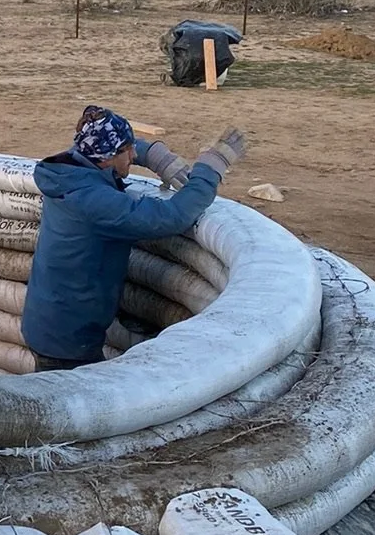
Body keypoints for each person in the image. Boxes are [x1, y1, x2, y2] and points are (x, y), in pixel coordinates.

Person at [20, 105, 246, 372]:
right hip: (66, 340)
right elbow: (171, 216)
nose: (132, 155)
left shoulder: (73, 170)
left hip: (52, 322)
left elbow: (113, 143)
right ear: (107, 156)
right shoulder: (94, 201)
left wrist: (155, 156)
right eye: (127, 150)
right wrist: (209, 169)